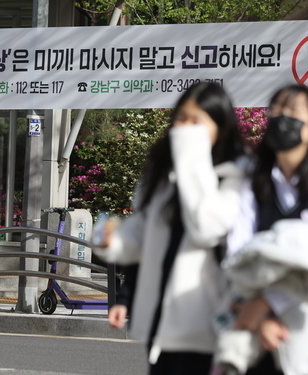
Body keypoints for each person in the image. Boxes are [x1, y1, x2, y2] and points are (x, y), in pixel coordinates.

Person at [94, 82, 246, 374]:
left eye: (197, 122)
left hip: (209, 324)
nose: (185, 130)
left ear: (221, 127)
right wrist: (110, 240)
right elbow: (140, 238)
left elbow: (206, 226)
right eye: (181, 119)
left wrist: (190, 157)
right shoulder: (164, 177)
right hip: (162, 324)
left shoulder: (236, 177)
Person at [224, 84, 308, 375]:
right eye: (276, 110)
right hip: (257, 335)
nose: (281, 117)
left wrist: (267, 304)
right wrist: (258, 316)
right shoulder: (252, 181)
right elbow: (237, 252)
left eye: (293, 111)